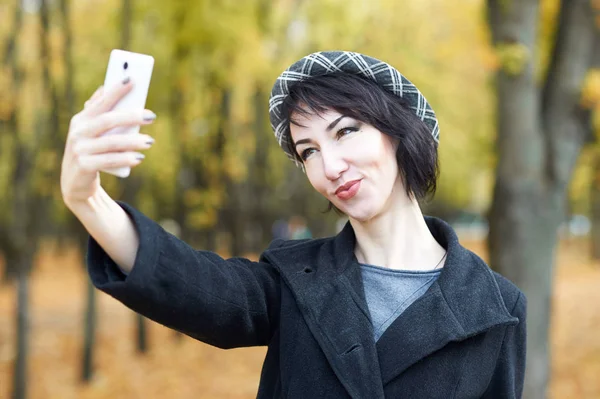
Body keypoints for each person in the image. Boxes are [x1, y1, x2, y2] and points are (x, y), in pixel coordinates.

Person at [61, 51, 526, 398]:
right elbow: (195, 286)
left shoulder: (497, 307)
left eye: (345, 131)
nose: (331, 166)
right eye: (309, 151)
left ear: (399, 131)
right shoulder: (293, 280)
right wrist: (87, 199)